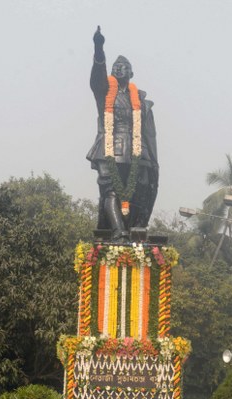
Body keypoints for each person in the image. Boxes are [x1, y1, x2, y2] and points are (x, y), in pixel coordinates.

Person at [87, 26, 159, 241]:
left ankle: (135, 229)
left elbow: (150, 135)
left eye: (124, 67)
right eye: (116, 67)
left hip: (138, 152)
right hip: (109, 148)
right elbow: (97, 76)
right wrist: (99, 48)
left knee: (141, 189)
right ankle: (118, 232)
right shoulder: (104, 93)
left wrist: (154, 162)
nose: (119, 69)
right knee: (110, 191)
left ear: (131, 73)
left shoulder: (143, 103)